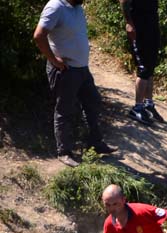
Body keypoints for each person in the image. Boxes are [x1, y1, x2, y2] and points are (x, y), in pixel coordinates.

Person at [33, 0, 116, 167]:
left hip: (82, 69)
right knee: (64, 110)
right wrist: (54, 60)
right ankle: (64, 152)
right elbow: (39, 35)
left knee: (93, 103)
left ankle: (95, 143)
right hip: (65, 71)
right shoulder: (55, 6)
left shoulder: (78, 8)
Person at [119, 0, 163, 125]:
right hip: (138, 27)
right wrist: (129, 23)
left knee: (151, 66)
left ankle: (148, 104)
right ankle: (137, 108)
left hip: (152, 24)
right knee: (143, 68)